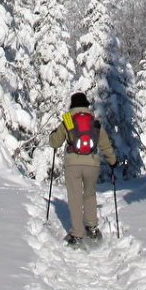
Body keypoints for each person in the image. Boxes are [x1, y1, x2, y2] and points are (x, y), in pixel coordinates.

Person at [49, 92, 118, 245]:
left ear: (72, 105)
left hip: (72, 164)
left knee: (75, 197)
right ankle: (92, 227)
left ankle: (77, 233)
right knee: (89, 195)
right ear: (86, 105)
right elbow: (105, 144)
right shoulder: (94, 121)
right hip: (92, 164)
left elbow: (55, 142)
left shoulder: (68, 120)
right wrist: (112, 161)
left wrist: (52, 136)